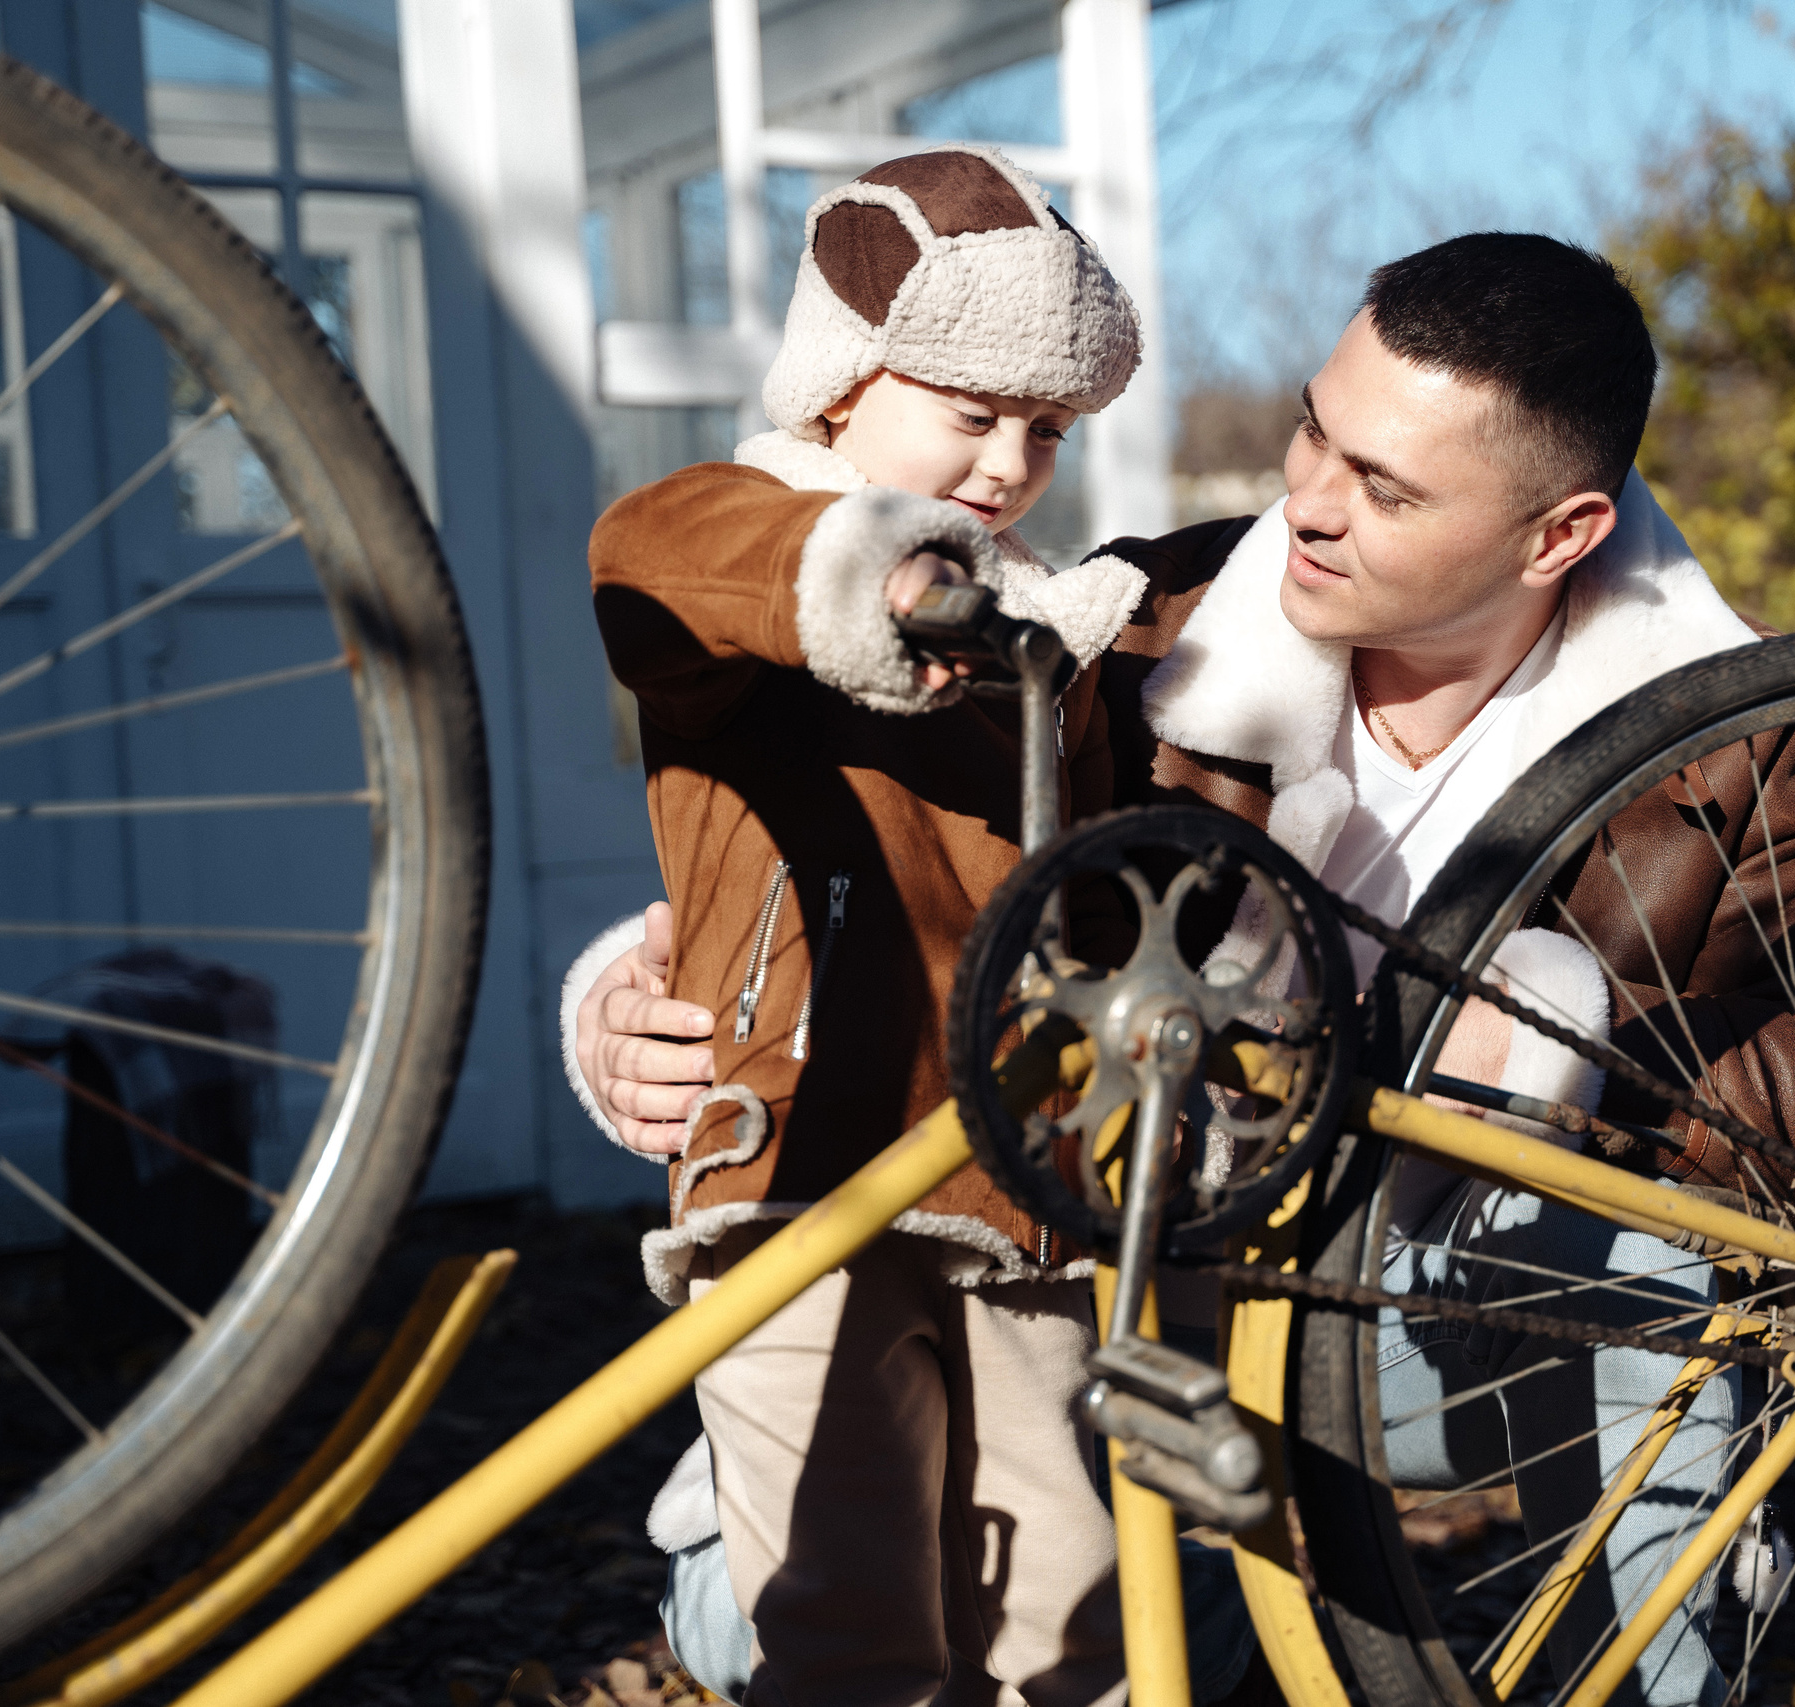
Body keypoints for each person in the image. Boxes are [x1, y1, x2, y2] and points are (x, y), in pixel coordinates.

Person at [573, 233, 1795, 1703]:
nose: (1308, 502)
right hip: (1157, 1300)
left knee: (1660, 1299)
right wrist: (630, 1001)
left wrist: (1564, 1068)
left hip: (1436, 1305)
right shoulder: (1149, 617)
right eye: (1311, 430)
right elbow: (928, 863)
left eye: (1387, 489)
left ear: (1560, 536)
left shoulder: (1731, 719)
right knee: (789, 1622)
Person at [583, 143, 1179, 1707]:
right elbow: (657, 552)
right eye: (969, 413)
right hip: (802, 1166)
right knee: (847, 1622)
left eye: (1044, 429)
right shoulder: (759, 553)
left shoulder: (1046, 624)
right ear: (841, 390)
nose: (1007, 463)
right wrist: (869, 575)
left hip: (1028, 1176)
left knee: (1070, 1615)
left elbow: (1094, 884)